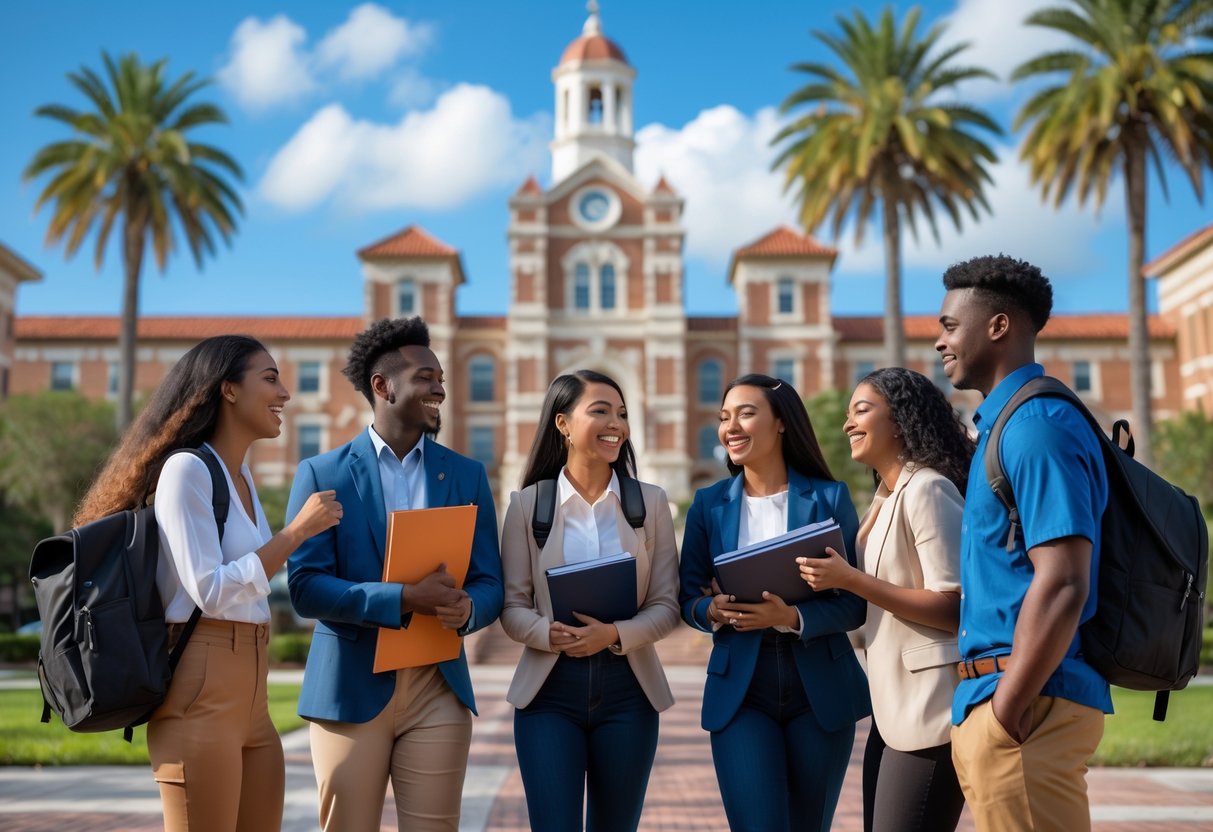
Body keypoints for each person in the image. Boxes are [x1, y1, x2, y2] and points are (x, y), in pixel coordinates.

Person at [72, 335, 343, 832]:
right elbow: (212, 590)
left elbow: (253, 579)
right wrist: (298, 531)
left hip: (253, 697)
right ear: (229, 391)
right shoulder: (185, 470)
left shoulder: (240, 478)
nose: (285, 393)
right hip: (201, 688)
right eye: (270, 378)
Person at [285, 316, 503, 832]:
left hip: (438, 687)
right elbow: (306, 586)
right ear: (382, 387)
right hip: (349, 686)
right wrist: (403, 597)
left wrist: (470, 607)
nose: (440, 390)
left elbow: (491, 580)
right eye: (426, 377)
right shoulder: (323, 473)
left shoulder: (468, 475)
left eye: (442, 379)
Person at [935, 255, 1110, 830]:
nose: (940, 342)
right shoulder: (1004, 425)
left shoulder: (1035, 427)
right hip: (1004, 703)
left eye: (949, 326)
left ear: (999, 326)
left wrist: (1007, 710)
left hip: (1026, 709)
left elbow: (1063, 579)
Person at [679, 373, 870, 832]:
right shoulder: (708, 505)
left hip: (819, 688)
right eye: (724, 417)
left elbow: (854, 603)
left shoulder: (829, 497)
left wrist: (793, 616)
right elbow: (687, 598)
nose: (730, 427)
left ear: (781, 422)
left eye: (746, 413)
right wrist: (711, 610)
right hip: (742, 690)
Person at [499, 370, 680, 832]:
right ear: (562, 423)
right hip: (548, 694)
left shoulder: (650, 504)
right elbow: (512, 606)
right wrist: (547, 633)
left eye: (621, 413)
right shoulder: (527, 506)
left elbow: (666, 605)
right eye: (599, 411)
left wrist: (614, 634)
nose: (615, 423)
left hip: (629, 692)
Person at [799, 367, 973, 832]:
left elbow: (954, 607)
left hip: (931, 711)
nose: (847, 424)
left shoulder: (928, 489)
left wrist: (852, 580)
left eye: (861, 410)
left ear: (898, 420)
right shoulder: (883, 499)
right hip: (892, 710)